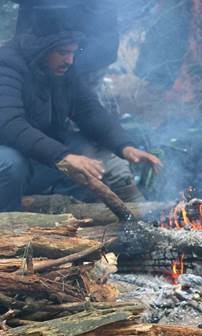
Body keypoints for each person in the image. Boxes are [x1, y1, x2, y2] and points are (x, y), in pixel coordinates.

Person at [0, 28, 161, 212]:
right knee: (11, 162)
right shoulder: (6, 65)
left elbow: (88, 109)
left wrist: (125, 146)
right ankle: (7, 225)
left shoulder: (62, 71)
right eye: (63, 53)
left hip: (33, 156)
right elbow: (9, 124)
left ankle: (58, 218)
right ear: (42, 50)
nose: (69, 60)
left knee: (85, 152)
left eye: (73, 53)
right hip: (9, 159)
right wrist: (63, 156)